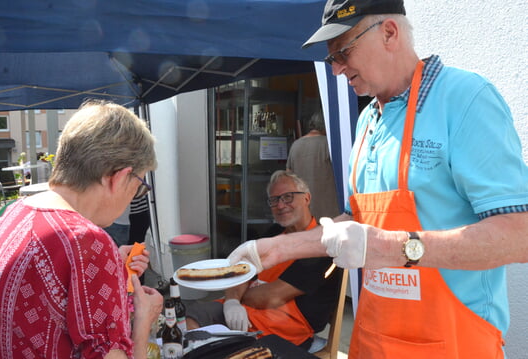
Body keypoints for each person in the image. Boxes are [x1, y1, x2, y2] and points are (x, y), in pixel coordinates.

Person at [228, 1, 528, 358]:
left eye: (343, 51)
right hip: (374, 340)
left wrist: (391, 247)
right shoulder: (368, 119)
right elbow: (354, 221)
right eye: (330, 59)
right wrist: (273, 250)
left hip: (451, 343)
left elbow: (518, 234)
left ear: (389, 32)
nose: (337, 69)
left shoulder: (465, 98)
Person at [0, 101, 164, 359]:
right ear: (117, 177)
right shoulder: (87, 241)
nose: (135, 195)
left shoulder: (12, 212)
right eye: (138, 185)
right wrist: (144, 320)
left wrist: (111, 262)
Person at [186, 171, 341, 350]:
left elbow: (271, 297)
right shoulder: (274, 231)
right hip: (253, 311)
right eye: (274, 200)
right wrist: (231, 301)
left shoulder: (319, 245)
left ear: (306, 198)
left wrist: (236, 297)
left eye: (288, 197)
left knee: (224, 346)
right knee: (193, 317)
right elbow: (241, 271)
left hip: (287, 327)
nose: (281, 205)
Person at [286, 111, 340, 220]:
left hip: (302, 211)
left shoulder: (296, 145)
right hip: (328, 211)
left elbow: (288, 177)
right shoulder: (329, 145)